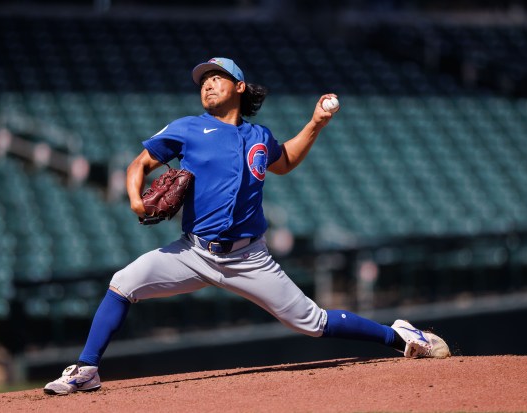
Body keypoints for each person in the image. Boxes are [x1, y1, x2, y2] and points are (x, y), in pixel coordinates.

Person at [43, 57, 450, 395]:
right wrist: (135, 198)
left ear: (239, 86)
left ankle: (400, 337)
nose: (207, 85)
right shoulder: (187, 127)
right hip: (194, 251)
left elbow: (285, 161)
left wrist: (315, 124)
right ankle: (87, 369)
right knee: (123, 283)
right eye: (203, 81)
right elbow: (140, 164)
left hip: (249, 257)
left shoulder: (258, 135)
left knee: (313, 324)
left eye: (216, 78)